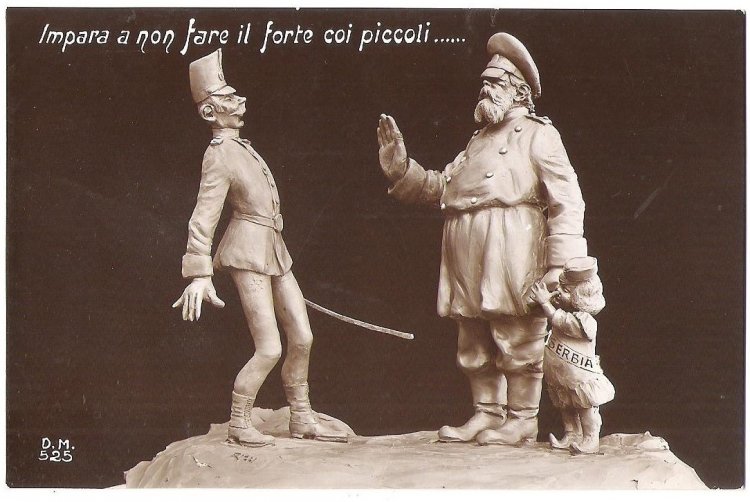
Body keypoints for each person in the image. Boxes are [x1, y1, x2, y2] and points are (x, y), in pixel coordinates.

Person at [376, 33, 587, 445]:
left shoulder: (538, 135)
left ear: (519, 91)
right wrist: (402, 170)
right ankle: (487, 413)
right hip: (466, 253)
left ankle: (522, 418)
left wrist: (560, 268)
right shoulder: (478, 140)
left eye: (494, 82)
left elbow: (567, 200)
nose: (485, 89)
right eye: (485, 82)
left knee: (517, 337)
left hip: (513, 251)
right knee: (472, 339)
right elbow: (442, 187)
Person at [172, 49, 346, 447]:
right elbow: (204, 213)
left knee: (302, 337)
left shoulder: (240, 147)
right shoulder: (219, 155)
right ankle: (239, 421)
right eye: (229, 98)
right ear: (209, 111)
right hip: (247, 252)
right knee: (269, 347)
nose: (240, 102)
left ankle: (301, 416)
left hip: (273, 250)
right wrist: (198, 272)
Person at [529, 256, 614, 454]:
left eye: (565, 290)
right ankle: (571, 435)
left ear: (580, 296)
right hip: (561, 376)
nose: (559, 291)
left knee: (585, 408)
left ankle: (590, 438)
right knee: (565, 407)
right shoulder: (565, 309)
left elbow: (560, 321)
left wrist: (545, 303)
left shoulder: (585, 321)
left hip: (580, 378)